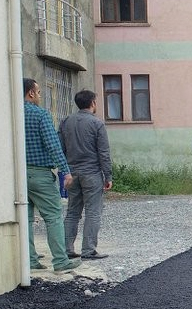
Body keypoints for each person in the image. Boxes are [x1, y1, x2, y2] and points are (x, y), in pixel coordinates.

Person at [22, 78, 81, 274]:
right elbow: (53, 145)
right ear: (31, 93)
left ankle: (29, 259)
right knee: (53, 216)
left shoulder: (11, 113)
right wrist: (65, 170)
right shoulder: (40, 115)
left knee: (26, 217)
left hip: (18, 174)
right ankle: (60, 261)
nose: (39, 96)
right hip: (40, 173)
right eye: (38, 92)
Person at [59, 90, 113, 260]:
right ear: (93, 103)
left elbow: (60, 148)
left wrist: (64, 170)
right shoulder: (97, 124)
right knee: (93, 212)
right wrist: (108, 176)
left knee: (72, 212)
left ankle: (67, 248)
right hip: (92, 173)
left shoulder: (66, 122)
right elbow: (103, 152)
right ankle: (88, 250)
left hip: (72, 173)